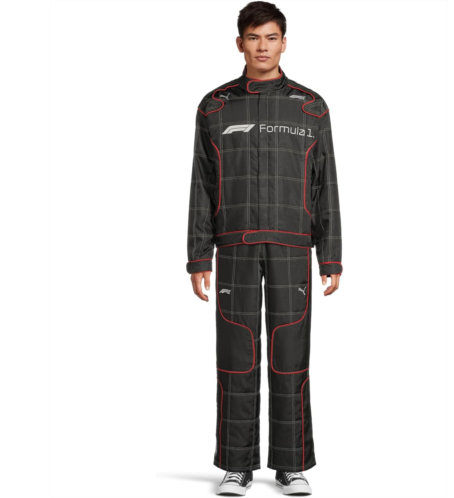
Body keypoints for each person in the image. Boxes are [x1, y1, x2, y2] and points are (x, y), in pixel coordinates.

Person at [186, 2, 342, 495]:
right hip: (233, 245)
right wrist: (198, 256)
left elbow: (326, 184)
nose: (262, 46)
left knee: (289, 355)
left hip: (292, 246)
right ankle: (237, 465)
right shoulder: (214, 107)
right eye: (253, 37)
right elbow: (201, 184)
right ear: (240, 43)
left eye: (271, 37)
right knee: (237, 355)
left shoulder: (310, 107)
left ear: (284, 43)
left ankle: (291, 464)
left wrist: (331, 255)